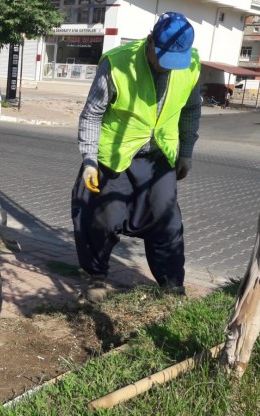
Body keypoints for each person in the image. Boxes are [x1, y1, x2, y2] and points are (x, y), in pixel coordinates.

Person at [71, 11, 202, 303]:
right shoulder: (117, 63)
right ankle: (97, 278)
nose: (168, 68)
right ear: (150, 41)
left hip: (159, 156)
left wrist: (187, 153)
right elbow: (92, 114)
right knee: (101, 219)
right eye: (163, 59)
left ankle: (172, 287)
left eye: (175, 62)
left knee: (167, 222)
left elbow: (191, 110)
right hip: (114, 155)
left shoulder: (191, 65)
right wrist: (90, 160)